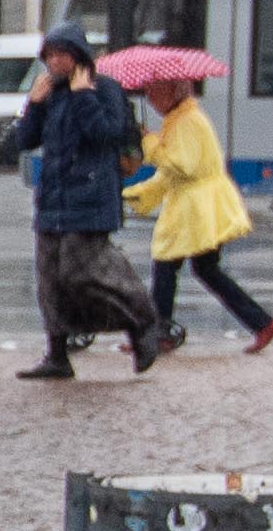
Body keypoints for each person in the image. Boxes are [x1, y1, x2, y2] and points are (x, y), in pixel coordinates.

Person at [16, 31, 165, 381]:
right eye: (49, 56)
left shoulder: (105, 89)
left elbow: (108, 134)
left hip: (91, 198)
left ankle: (141, 319)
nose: (54, 63)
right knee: (50, 280)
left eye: (60, 55)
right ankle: (57, 355)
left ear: (77, 56)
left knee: (81, 272)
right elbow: (25, 141)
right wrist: (34, 106)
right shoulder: (50, 91)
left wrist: (84, 96)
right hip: (53, 199)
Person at [136, 75, 273, 354]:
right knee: (205, 269)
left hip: (197, 209)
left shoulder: (187, 121)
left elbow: (182, 166)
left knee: (167, 263)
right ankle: (262, 323)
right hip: (203, 207)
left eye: (156, 91)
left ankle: (160, 332)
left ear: (173, 91)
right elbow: (172, 172)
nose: (150, 98)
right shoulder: (182, 118)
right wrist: (142, 193)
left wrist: (150, 144)